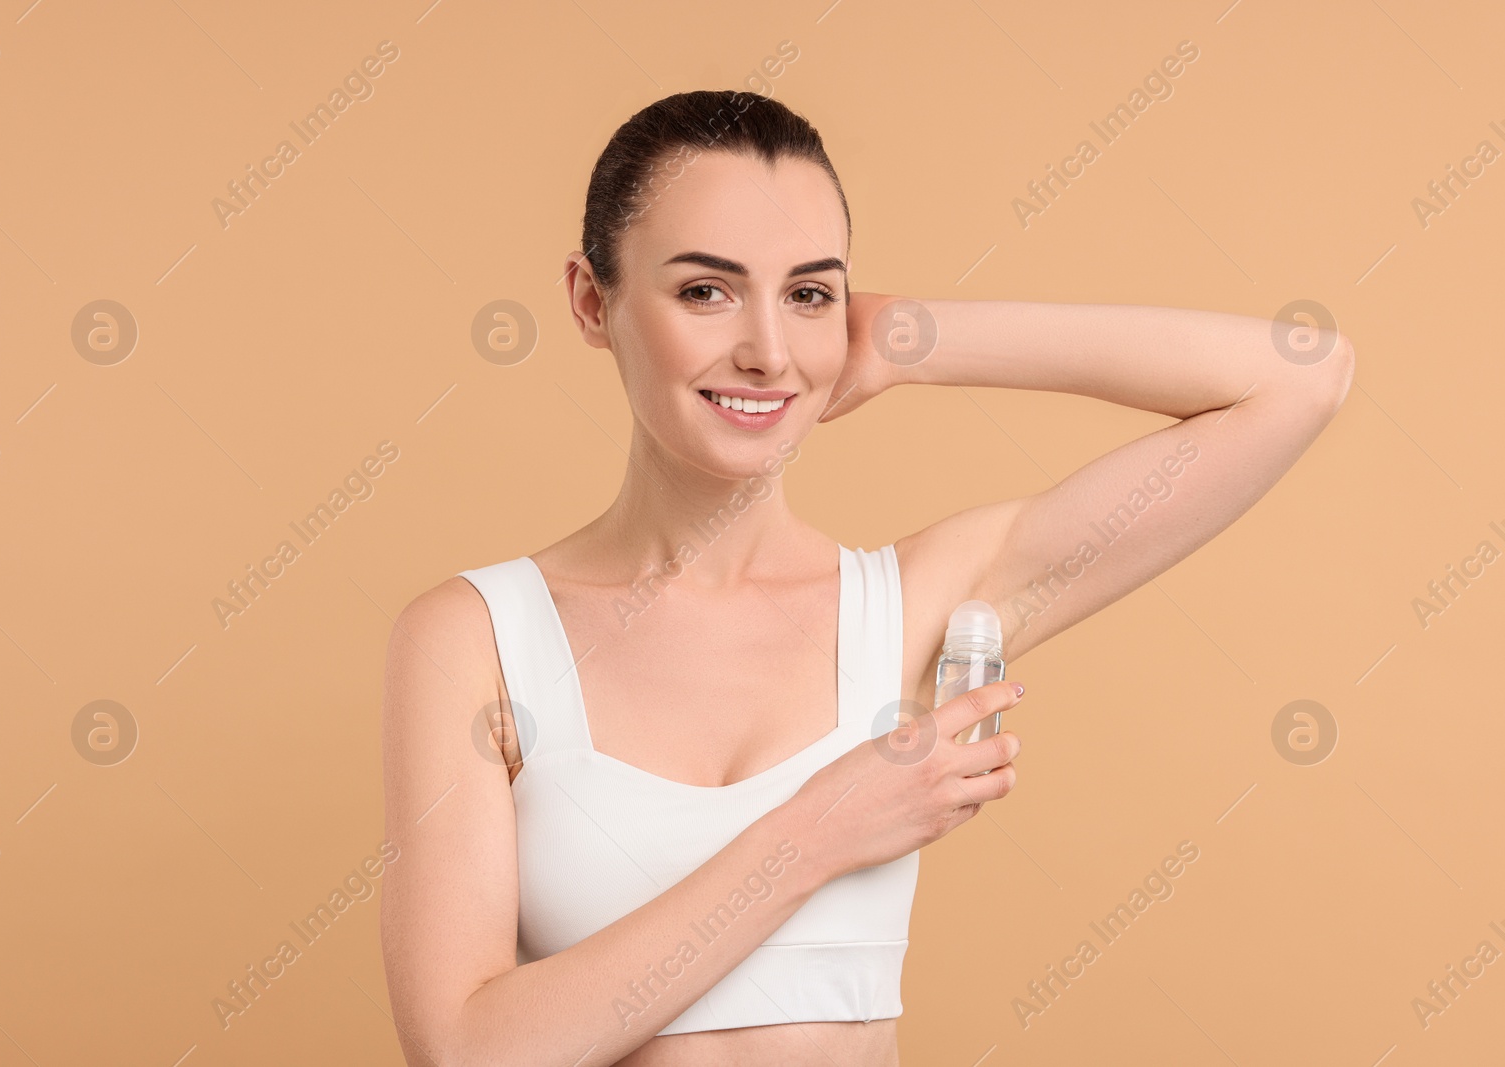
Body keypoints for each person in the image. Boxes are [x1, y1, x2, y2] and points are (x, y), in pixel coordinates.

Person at [377, 90, 1352, 1066]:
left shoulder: (914, 607)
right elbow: (467, 1048)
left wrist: (912, 340)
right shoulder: (475, 636)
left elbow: (1302, 376)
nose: (766, 351)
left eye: (808, 293)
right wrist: (814, 832)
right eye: (705, 291)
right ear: (594, 300)